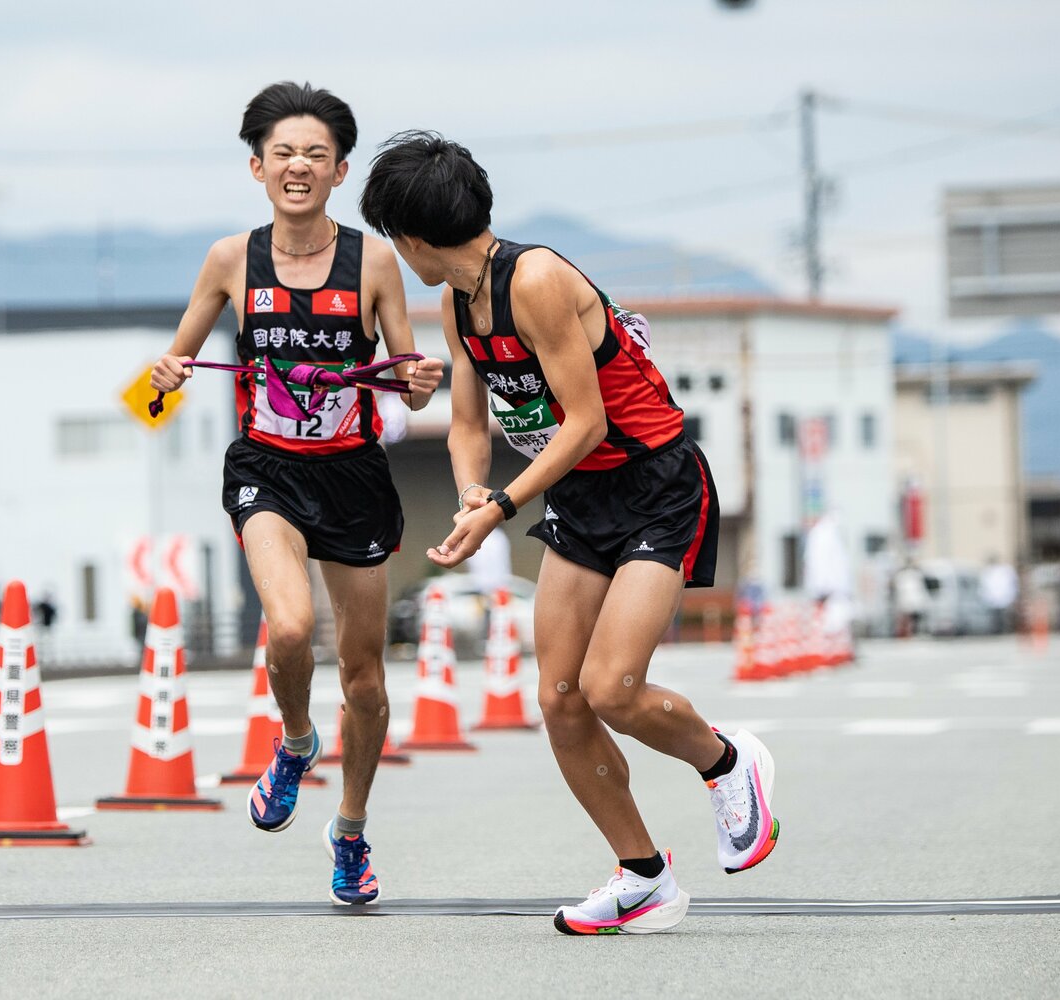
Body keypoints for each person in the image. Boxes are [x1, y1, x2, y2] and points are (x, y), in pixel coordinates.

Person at [359, 131, 773, 936]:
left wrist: (502, 509)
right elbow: (468, 421)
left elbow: (585, 422)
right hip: (580, 502)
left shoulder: (538, 280)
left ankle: (727, 764)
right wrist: (472, 492)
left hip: (654, 487)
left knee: (612, 687)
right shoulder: (456, 301)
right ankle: (642, 876)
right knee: (559, 697)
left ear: (411, 238)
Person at [149, 84, 443, 905]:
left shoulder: (375, 262)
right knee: (289, 625)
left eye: (316, 154)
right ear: (257, 167)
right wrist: (163, 377)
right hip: (266, 471)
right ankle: (294, 740)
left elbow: (409, 386)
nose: (299, 166)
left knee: (367, 682)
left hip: (352, 476)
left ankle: (349, 831)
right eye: (283, 153)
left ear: (341, 169)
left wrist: (419, 383)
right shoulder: (227, 261)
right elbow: (157, 388)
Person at [979, 554, 1018, 635]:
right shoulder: (988, 571)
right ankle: (996, 631)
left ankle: (1004, 630)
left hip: (1004, 598)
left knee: (1004, 617)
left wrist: (1011, 596)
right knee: (994, 617)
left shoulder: (1005, 570)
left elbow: (1011, 584)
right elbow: (984, 586)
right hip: (993, 599)